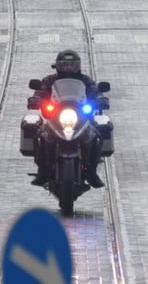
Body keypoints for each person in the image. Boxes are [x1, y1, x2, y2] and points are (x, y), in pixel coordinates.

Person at [31, 49, 105, 189]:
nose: (68, 68)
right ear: (58, 65)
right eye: (65, 64)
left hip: (81, 117)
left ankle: (92, 171)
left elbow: (95, 90)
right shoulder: (50, 80)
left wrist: (100, 98)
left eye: (72, 65)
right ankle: (42, 170)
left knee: (97, 136)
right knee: (39, 135)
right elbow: (41, 90)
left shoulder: (85, 80)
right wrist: (36, 99)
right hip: (56, 117)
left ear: (78, 66)